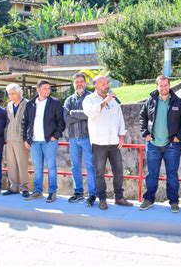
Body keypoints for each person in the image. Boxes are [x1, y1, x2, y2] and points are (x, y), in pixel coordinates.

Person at [83, 75, 132, 210]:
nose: (107, 86)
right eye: (103, 84)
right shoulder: (89, 99)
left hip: (114, 142)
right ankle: (102, 199)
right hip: (99, 143)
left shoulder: (114, 101)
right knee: (99, 172)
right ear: (96, 86)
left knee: (119, 171)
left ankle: (119, 198)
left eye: (107, 83)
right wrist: (105, 101)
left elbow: (120, 118)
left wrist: (122, 135)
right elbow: (91, 114)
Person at [139, 75, 181, 213]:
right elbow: (142, 117)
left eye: (166, 85)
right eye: (161, 85)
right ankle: (148, 199)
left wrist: (179, 137)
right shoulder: (150, 101)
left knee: (172, 174)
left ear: (169, 85)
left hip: (172, 145)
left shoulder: (179, 102)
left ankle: (174, 202)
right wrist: (145, 134)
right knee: (152, 174)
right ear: (157, 86)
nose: (164, 88)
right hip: (153, 144)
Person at [23, 80, 65, 203]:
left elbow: (61, 122)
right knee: (37, 167)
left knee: (51, 167)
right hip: (34, 141)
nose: (48, 90)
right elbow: (25, 123)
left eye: (49, 88)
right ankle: (38, 191)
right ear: (38, 89)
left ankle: (52, 192)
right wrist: (26, 139)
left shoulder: (55, 103)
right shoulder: (30, 104)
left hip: (49, 141)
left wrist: (55, 136)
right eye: (45, 88)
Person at [63, 73, 96, 206]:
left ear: (85, 83)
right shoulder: (69, 100)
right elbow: (66, 118)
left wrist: (74, 113)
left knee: (90, 166)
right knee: (75, 166)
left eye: (81, 81)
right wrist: (81, 114)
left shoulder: (91, 97)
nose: (79, 84)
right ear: (73, 84)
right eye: (76, 82)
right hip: (73, 139)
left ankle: (92, 194)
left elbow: (91, 114)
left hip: (87, 137)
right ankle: (78, 192)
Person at [4, 83, 30, 197]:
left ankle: (24, 187)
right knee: (11, 164)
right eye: (9, 94)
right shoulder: (9, 105)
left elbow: (30, 123)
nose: (11, 96)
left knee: (22, 163)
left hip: (21, 138)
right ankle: (13, 187)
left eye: (13, 93)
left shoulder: (27, 104)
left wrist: (27, 138)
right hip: (10, 138)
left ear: (20, 92)